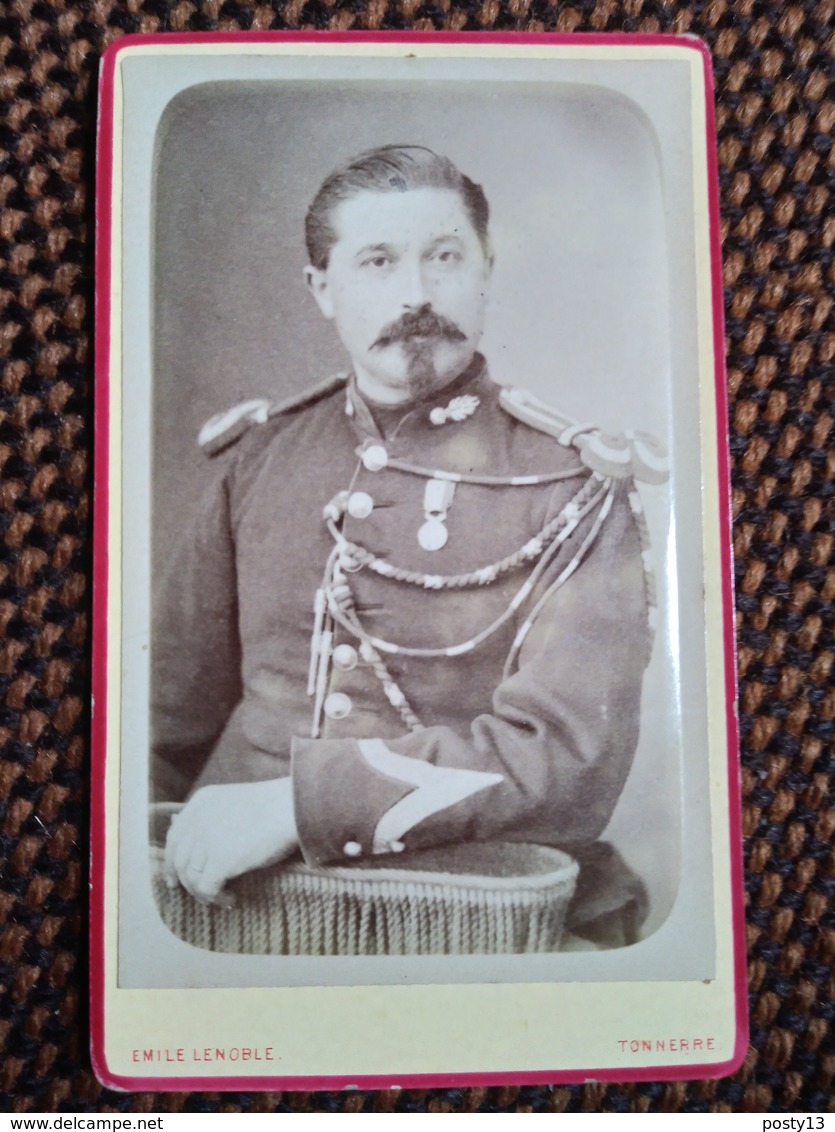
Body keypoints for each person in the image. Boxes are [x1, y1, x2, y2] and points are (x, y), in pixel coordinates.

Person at [153, 144, 665, 949]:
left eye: (445, 257)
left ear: (485, 271)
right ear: (322, 289)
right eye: (378, 261)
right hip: (225, 907)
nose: (417, 294)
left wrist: (300, 804)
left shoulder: (574, 483)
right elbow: (158, 725)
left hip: (462, 915)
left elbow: (565, 757)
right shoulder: (258, 459)